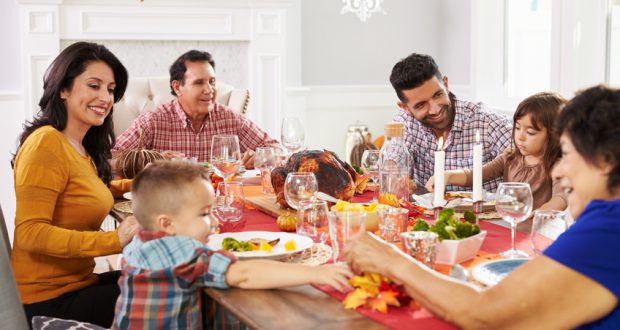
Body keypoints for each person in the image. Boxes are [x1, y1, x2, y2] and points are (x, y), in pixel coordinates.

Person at [344, 85, 620, 329]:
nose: (557, 171)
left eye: (567, 155)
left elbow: (483, 314)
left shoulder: (610, 227)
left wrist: (390, 260)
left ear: (605, 160)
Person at [111, 161, 352, 329]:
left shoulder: (141, 241)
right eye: (205, 214)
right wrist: (316, 273)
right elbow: (244, 274)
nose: (215, 222)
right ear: (167, 224)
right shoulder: (178, 250)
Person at [11, 42, 140, 327]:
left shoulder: (78, 146)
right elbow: (30, 232)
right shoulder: (46, 143)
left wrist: (143, 183)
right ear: (63, 89)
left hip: (79, 283)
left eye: (110, 89)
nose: (105, 97)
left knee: (163, 276)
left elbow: (86, 191)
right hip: (47, 299)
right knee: (173, 292)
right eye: (93, 85)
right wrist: (114, 239)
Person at [112, 50, 279, 169]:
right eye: (199, 83)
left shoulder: (229, 118)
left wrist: (259, 157)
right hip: (166, 205)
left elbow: (276, 150)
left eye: (212, 82)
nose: (209, 90)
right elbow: (111, 158)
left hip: (219, 203)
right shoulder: (153, 121)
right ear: (177, 87)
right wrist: (151, 160)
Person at [425, 92, 568, 211]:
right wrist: (447, 175)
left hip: (538, 229)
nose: (520, 137)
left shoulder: (556, 166)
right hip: (509, 223)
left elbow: (560, 198)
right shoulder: (510, 156)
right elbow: (477, 174)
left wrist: (540, 213)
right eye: (517, 128)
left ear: (553, 135)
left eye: (530, 132)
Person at [390, 53, 512, 192]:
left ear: (446, 84)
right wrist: (395, 176)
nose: (435, 110)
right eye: (421, 105)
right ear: (405, 107)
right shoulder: (406, 122)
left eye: (438, 95)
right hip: (426, 212)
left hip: (485, 213)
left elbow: (526, 156)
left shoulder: (486, 122)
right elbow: (394, 157)